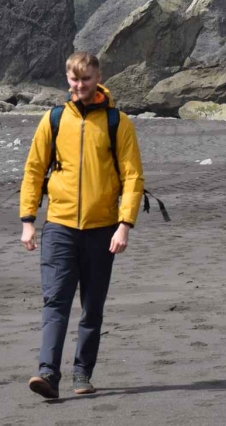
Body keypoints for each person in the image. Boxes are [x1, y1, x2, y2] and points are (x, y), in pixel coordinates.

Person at [18, 51, 145, 400]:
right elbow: (34, 170)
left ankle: (82, 372)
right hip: (59, 226)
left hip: (103, 229)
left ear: (98, 77)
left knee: (92, 306)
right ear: (67, 79)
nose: (79, 85)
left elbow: (133, 176)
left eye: (86, 79)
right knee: (55, 301)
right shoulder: (54, 118)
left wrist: (125, 224)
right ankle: (48, 373)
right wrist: (28, 220)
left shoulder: (118, 122)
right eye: (74, 79)